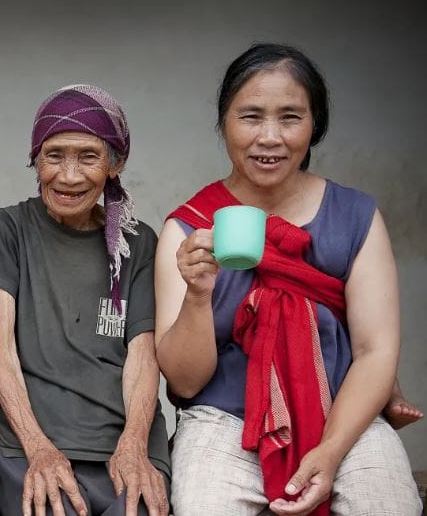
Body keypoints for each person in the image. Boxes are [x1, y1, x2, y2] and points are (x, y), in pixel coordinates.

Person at [155, 43, 422, 515]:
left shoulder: (356, 217)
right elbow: (185, 383)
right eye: (251, 116)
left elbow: (376, 350)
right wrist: (199, 295)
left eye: (291, 117)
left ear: (314, 124)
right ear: (224, 123)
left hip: (343, 414)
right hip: (224, 420)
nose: (270, 137)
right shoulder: (188, 228)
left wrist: (332, 448)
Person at [0, 84, 170, 516]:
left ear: (116, 164)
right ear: (35, 160)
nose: (68, 176)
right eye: (54, 155)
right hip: (29, 441)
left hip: (125, 438)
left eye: (88, 156)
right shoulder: (7, 231)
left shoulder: (138, 242)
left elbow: (142, 356)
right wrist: (39, 449)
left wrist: (134, 443)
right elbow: (0, 354)